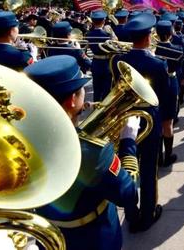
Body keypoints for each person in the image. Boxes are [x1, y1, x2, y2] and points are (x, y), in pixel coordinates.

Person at [26, 56, 140, 250]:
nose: (84, 96)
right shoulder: (94, 152)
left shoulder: (22, 138)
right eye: (81, 91)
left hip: (50, 236)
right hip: (93, 236)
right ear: (72, 100)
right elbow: (127, 195)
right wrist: (128, 142)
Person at [110, 13, 171, 232]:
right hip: (149, 119)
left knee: (127, 165)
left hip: (126, 117)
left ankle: (131, 213)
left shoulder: (117, 60)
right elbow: (163, 96)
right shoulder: (158, 63)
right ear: (148, 36)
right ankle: (148, 213)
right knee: (148, 168)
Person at [154, 19, 182, 165]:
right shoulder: (177, 49)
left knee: (157, 120)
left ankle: (158, 156)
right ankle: (168, 156)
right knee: (168, 122)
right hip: (170, 84)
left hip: (155, 85)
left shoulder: (153, 49)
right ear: (171, 33)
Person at [86, 11, 114, 102]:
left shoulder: (88, 34)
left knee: (96, 88)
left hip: (95, 62)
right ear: (104, 21)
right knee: (106, 89)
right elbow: (116, 44)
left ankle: (95, 107)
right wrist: (111, 32)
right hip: (106, 64)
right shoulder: (107, 34)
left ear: (93, 22)